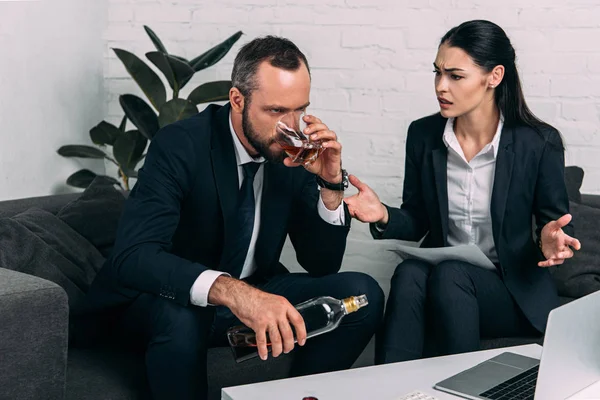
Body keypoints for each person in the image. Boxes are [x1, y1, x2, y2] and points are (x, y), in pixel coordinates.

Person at [83, 36, 384, 399]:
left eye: (299, 110)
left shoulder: (291, 152)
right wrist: (232, 292)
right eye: (275, 111)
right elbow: (135, 256)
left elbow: (321, 262)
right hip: (169, 300)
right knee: (183, 315)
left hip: (255, 286)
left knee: (361, 293)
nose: (291, 126)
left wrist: (330, 182)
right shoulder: (180, 145)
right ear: (237, 100)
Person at [343, 20, 581, 365]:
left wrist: (552, 238)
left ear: (494, 77)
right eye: (437, 73)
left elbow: (559, 225)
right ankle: (391, 389)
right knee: (409, 274)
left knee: (451, 273)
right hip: (442, 282)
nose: (441, 86)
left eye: (455, 76)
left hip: (510, 291)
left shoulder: (538, 142)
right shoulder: (424, 135)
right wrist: (383, 214)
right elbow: (418, 219)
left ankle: (463, 386)